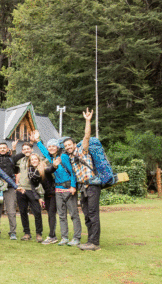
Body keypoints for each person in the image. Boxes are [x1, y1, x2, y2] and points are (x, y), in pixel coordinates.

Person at [33, 130, 82, 246]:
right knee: (61, 215)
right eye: (49, 146)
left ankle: (76, 237)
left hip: (68, 188)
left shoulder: (63, 157)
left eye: (53, 146)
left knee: (74, 214)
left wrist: (73, 186)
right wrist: (38, 141)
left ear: (58, 146)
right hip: (58, 190)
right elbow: (45, 153)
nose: (51, 148)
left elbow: (72, 172)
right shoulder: (51, 159)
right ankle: (64, 238)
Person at [64, 108, 101, 251]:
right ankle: (90, 240)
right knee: (86, 215)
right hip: (83, 188)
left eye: (69, 145)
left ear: (74, 145)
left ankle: (95, 243)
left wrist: (87, 120)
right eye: (66, 146)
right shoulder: (71, 158)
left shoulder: (82, 151)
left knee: (93, 213)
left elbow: (87, 136)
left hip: (92, 185)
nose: (68, 147)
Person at [15, 138, 45, 242]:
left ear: (31, 149)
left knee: (37, 212)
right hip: (21, 190)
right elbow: (13, 160)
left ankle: (38, 233)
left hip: (33, 190)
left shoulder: (36, 159)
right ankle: (27, 233)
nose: (26, 150)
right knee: (23, 212)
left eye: (28, 148)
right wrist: (14, 149)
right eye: (24, 149)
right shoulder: (21, 160)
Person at [27, 153, 58, 245]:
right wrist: (39, 198)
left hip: (53, 193)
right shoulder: (31, 173)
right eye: (32, 160)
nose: (34, 161)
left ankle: (52, 236)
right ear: (30, 162)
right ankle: (53, 235)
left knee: (52, 214)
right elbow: (33, 187)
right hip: (46, 195)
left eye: (35, 159)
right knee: (50, 214)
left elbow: (50, 169)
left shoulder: (43, 168)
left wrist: (54, 166)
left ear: (39, 160)